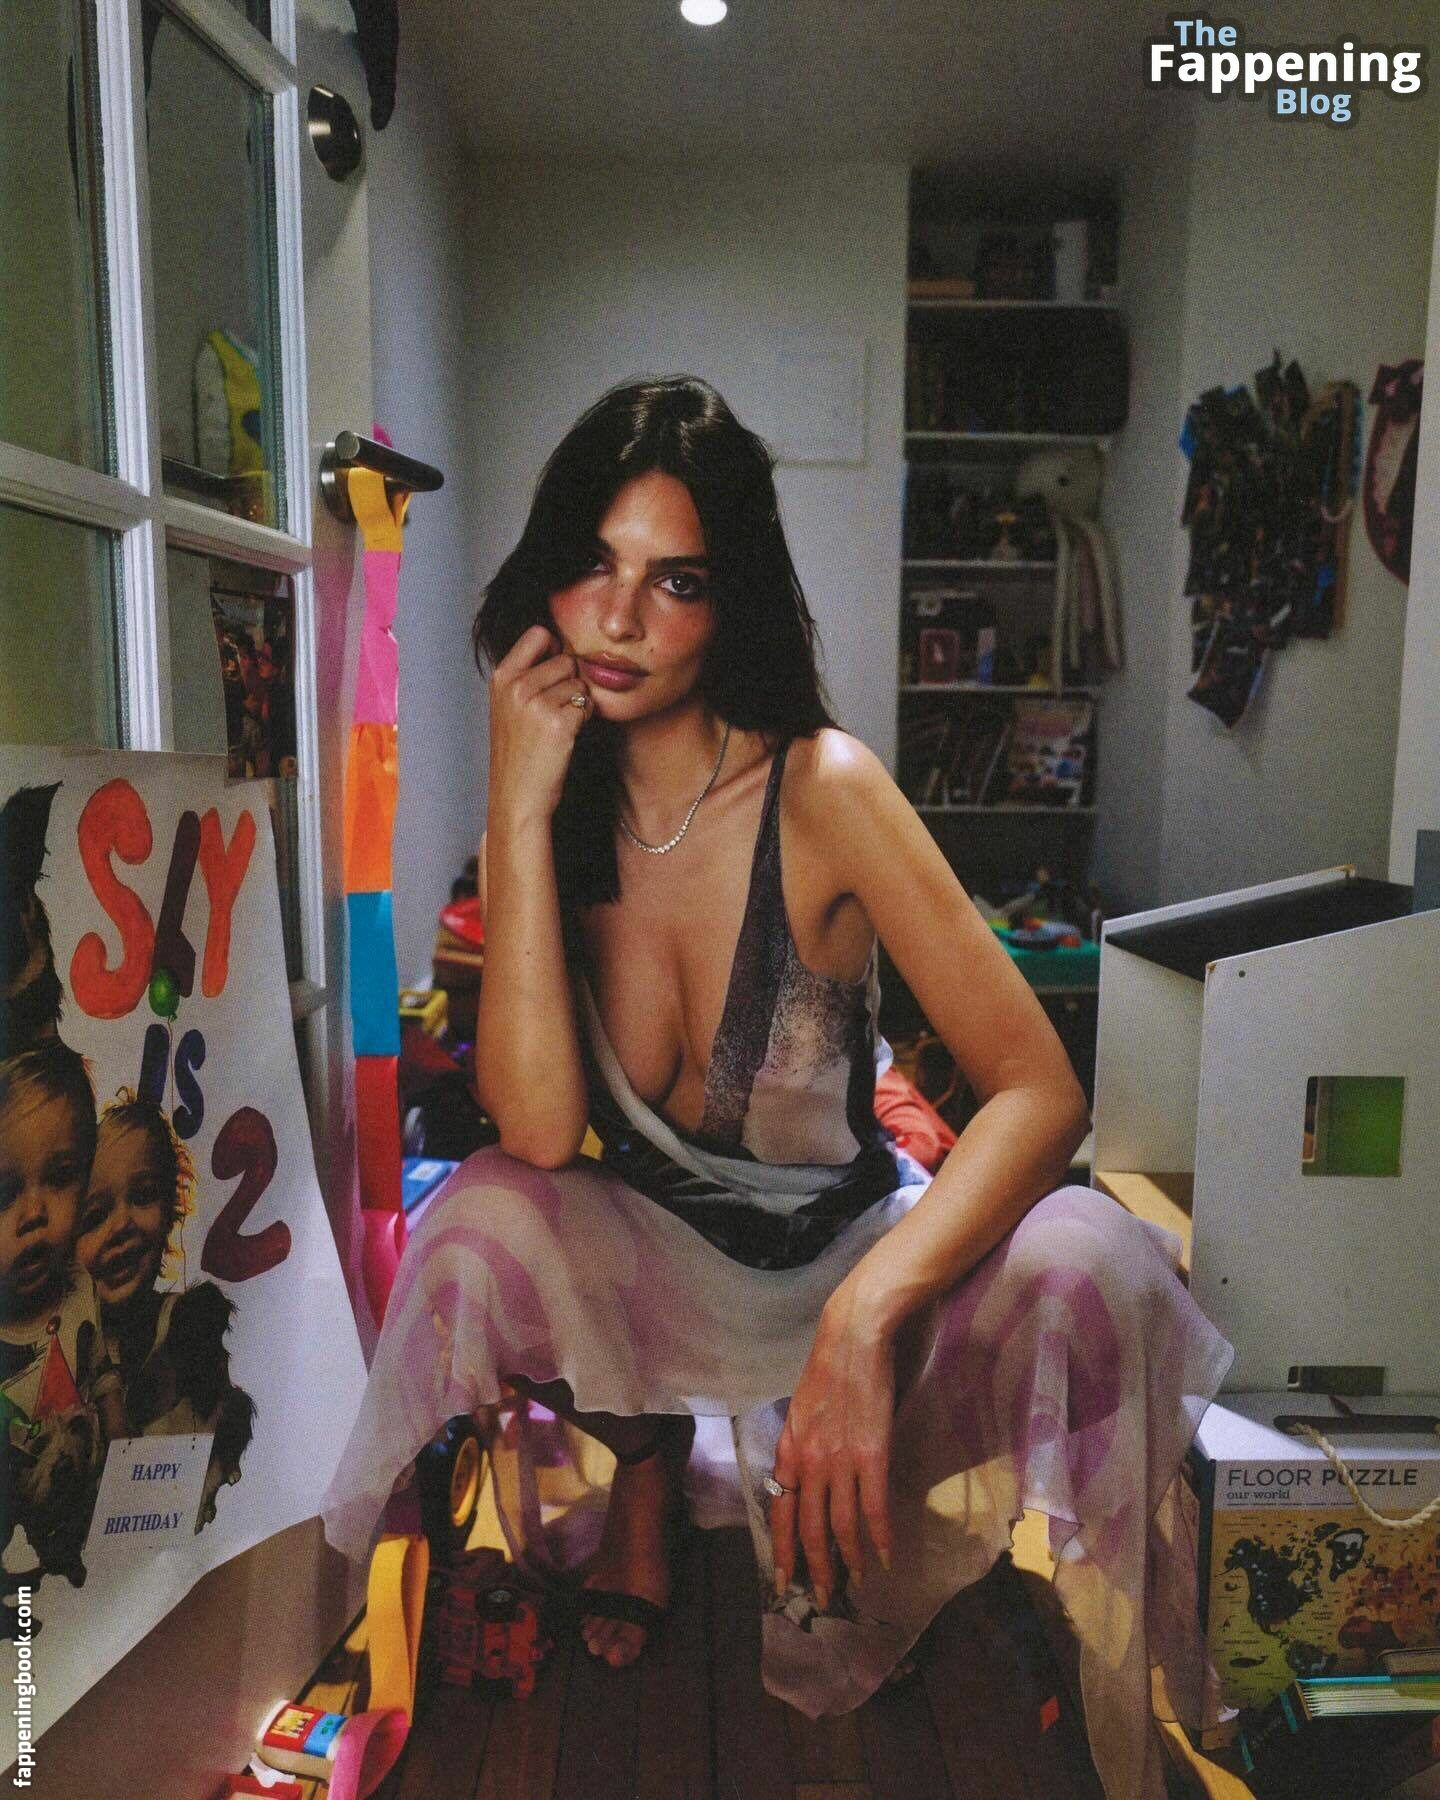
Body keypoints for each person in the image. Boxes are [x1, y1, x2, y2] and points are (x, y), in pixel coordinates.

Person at [322, 377, 1232, 1798]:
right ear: (547, 580)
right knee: (483, 1218)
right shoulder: (546, 810)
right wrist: (513, 798)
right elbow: (542, 1129)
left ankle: (876, 1502)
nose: (619, 620)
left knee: (1092, 1253)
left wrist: (866, 1324)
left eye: (675, 581)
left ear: (730, 599)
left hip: (844, 1257)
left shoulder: (825, 788)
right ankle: (645, 1472)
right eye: (592, 567)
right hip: (656, 1270)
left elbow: (1041, 1093)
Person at [75, 1091, 256, 1530]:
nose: (121, 1225)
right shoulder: (67, 1355)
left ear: (172, 1209)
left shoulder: (188, 1327)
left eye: (143, 1196)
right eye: (94, 1216)